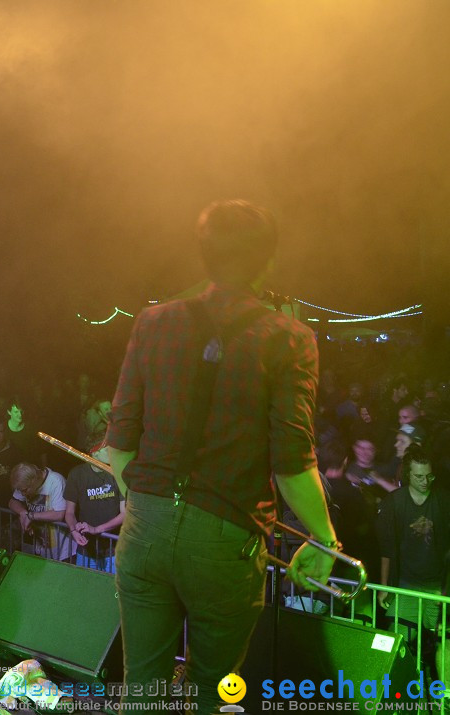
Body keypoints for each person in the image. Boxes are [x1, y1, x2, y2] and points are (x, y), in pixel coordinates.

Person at [106, 200, 337, 713]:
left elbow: (116, 447)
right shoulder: (290, 339)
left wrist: (149, 503)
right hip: (226, 542)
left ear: (204, 254)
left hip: (144, 527)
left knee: (142, 691)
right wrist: (324, 538)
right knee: (214, 693)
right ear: (268, 262)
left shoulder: (153, 323)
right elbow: (293, 463)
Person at [377, 445, 450, 681]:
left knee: (443, 643)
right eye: (419, 476)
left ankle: (444, 698)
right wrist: (384, 587)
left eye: (429, 475)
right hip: (406, 585)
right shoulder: (395, 502)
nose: (425, 481)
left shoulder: (443, 500)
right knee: (395, 640)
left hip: (436, 586)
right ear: (407, 474)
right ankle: (386, 693)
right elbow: (387, 548)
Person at [63, 445, 124, 572]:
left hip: (114, 550)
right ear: (94, 452)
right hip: (87, 549)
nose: (112, 451)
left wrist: (97, 529)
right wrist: (73, 530)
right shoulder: (77, 474)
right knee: (85, 587)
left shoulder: (118, 473)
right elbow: (69, 512)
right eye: (107, 449)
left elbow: (125, 514)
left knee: (111, 589)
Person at [9, 462, 76, 562]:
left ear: (34, 480)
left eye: (25, 490)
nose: (23, 494)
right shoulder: (25, 483)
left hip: (63, 550)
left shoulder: (56, 481)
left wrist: (31, 516)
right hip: (41, 546)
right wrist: (23, 513)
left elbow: (60, 514)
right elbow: (12, 502)